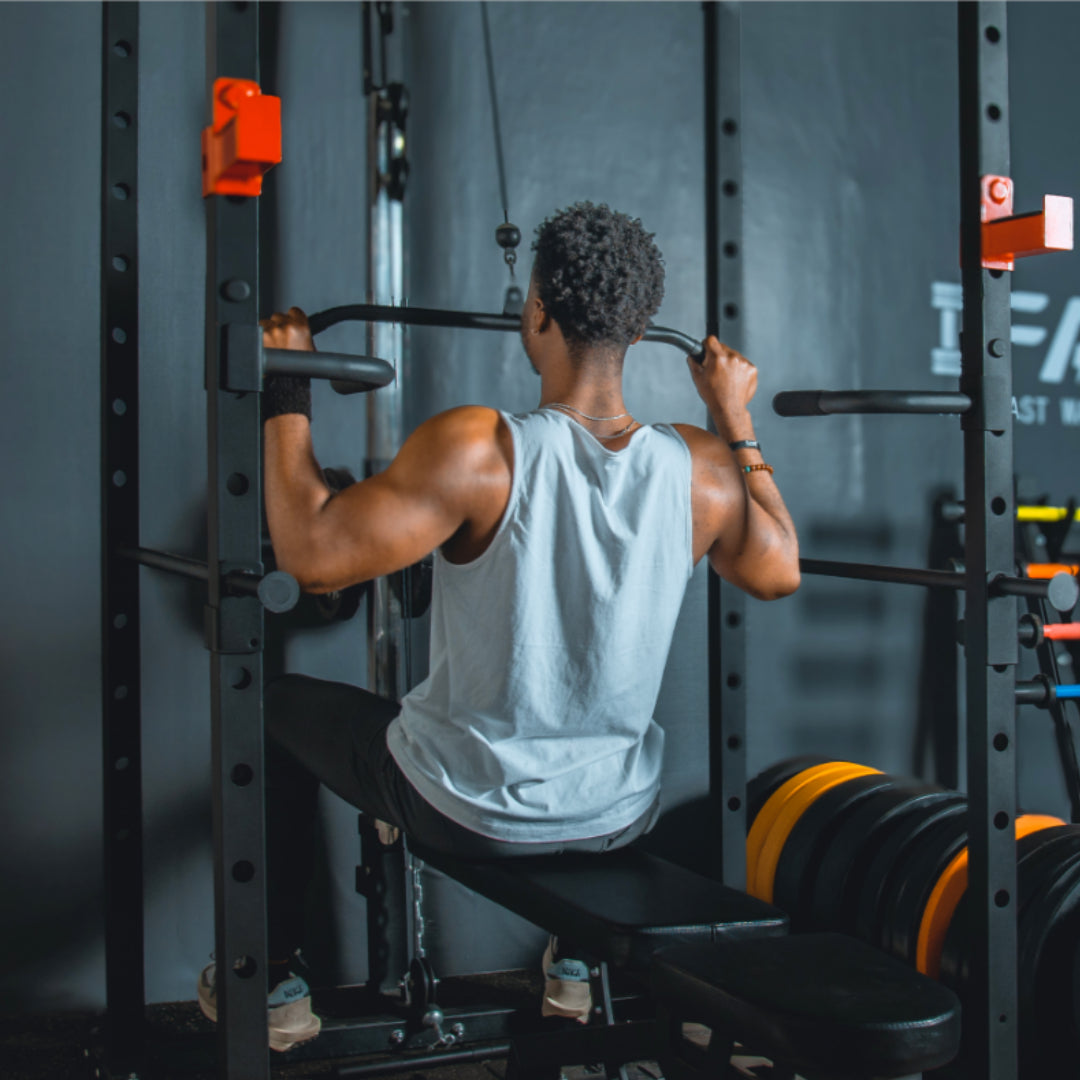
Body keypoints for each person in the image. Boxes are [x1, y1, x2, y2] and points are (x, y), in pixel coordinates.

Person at [196, 202, 800, 1050]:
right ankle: (575, 966)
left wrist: (285, 381)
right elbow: (780, 570)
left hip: (467, 808)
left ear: (539, 312)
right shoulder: (700, 464)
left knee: (266, 703)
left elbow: (315, 555)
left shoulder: (480, 448)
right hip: (617, 815)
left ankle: (274, 980)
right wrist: (735, 416)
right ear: (635, 330)